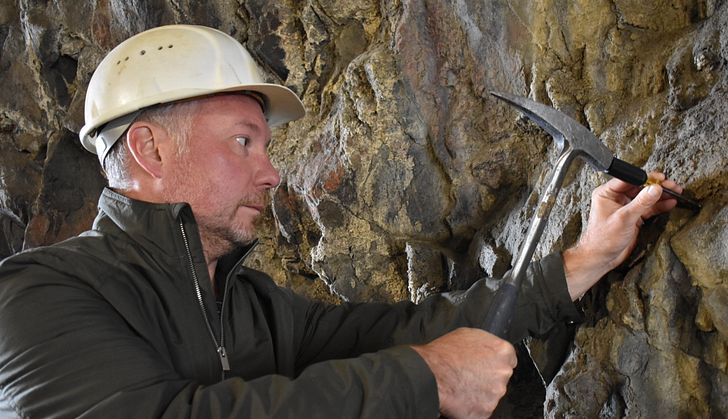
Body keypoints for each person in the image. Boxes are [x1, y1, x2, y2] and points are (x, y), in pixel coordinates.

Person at [0, 25, 682, 418]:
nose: (271, 172)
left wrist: (579, 263)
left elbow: (400, 331)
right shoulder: (34, 297)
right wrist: (425, 378)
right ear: (149, 148)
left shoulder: (254, 307)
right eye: (244, 141)